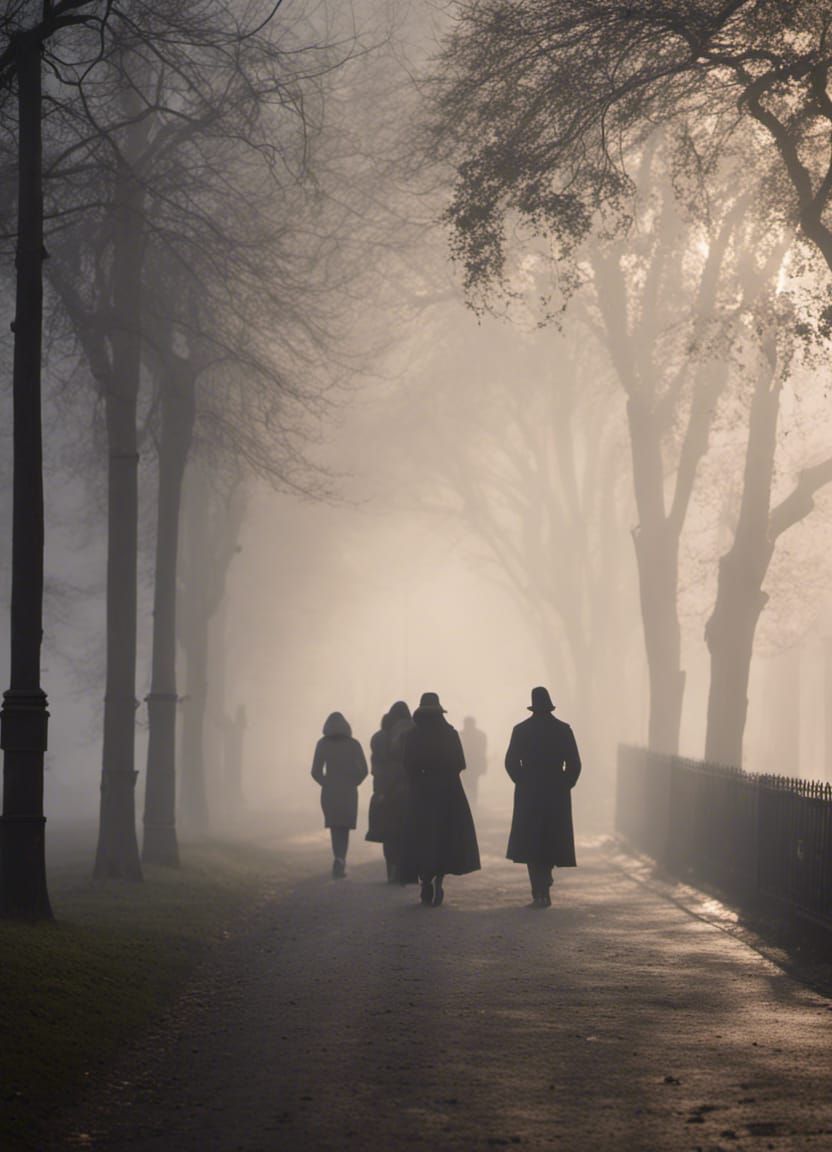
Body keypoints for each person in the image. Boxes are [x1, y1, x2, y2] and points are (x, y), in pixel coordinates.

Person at [401, 692, 480, 906]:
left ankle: (425, 879)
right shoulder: (450, 733)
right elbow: (460, 763)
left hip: (421, 793)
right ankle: (438, 881)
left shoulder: (412, 736)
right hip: (448, 792)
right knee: (445, 837)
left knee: (423, 837)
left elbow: (407, 765)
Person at [505, 686, 581, 908]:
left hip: (529, 791)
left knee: (530, 840)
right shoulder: (563, 730)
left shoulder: (520, 730)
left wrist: (521, 780)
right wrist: (566, 783)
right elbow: (574, 763)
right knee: (550, 836)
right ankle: (545, 881)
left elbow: (510, 762)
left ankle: (537, 890)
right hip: (555, 790)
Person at [311, 712, 368, 879]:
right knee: (345, 826)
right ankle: (341, 859)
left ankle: (338, 857)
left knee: (335, 826)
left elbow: (315, 771)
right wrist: (354, 782)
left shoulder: (323, 744)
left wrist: (326, 783)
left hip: (330, 791)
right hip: (349, 791)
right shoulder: (353, 744)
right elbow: (364, 769)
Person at [460, 715, 487, 807]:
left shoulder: (461, 734)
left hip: (467, 763)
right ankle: (472, 803)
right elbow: (482, 751)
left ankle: (469, 803)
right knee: (473, 783)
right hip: (473, 764)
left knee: (468, 783)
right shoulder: (481, 735)